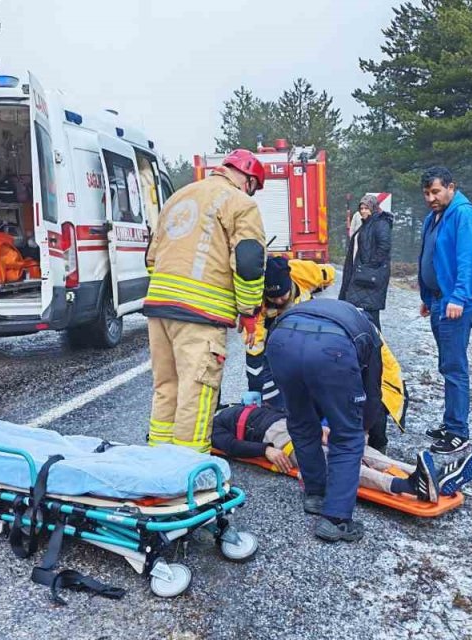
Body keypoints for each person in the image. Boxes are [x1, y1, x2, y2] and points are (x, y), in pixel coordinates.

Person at [144, 149, 266, 453]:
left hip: (159, 307)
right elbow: (249, 261)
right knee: (196, 393)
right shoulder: (241, 203)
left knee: (166, 388)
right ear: (249, 180)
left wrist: (171, 290)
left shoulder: (179, 198)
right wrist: (248, 311)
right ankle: (190, 471)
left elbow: (151, 257)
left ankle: (157, 461)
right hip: (200, 314)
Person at [264, 298, 389, 542]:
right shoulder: (371, 335)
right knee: (347, 436)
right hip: (332, 348)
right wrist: (361, 429)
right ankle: (336, 520)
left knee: (301, 423)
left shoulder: (326, 310)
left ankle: (315, 494)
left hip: (280, 340)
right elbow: (372, 393)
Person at [211, 403, 472, 504]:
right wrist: (265, 450)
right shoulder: (215, 426)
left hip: (297, 428)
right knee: (332, 462)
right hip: (278, 441)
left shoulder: (237, 405)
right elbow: (231, 448)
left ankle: (422, 473)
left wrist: (318, 428)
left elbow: (288, 412)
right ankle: (406, 485)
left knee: (354, 447)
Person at [417, 166, 472, 455]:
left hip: (456, 303)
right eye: (427, 193)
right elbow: (431, 258)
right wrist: (427, 296)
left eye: (436, 191)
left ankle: (458, 432)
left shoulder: (463, 215)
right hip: (438, 300)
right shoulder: (434, 217)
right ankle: (451, 422)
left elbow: (470, 260)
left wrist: (458, 296)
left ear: (450, 187)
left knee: (455, 367)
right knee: (447, 364)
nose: (431, 198)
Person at [242, 256, 335, 410]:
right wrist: (255, 388)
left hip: (309, 326)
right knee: (272, 390)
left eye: (282, 296)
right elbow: (254, 349)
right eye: (274, 297)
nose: (278, 301)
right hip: (277, 334)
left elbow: (330, 273)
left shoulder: (304, 272)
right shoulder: (257, 305)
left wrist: (317, 288)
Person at [339, 194, 394, 330]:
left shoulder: (381, 223)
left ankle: (378, 347)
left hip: (370, 275)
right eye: (361, 208)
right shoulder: (366, 224)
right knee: (358, 312)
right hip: (361, 273)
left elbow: (384, 247)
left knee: (371, 315)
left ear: (374, 208)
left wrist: (369, 267)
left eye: (366, 208)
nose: (363, 211)